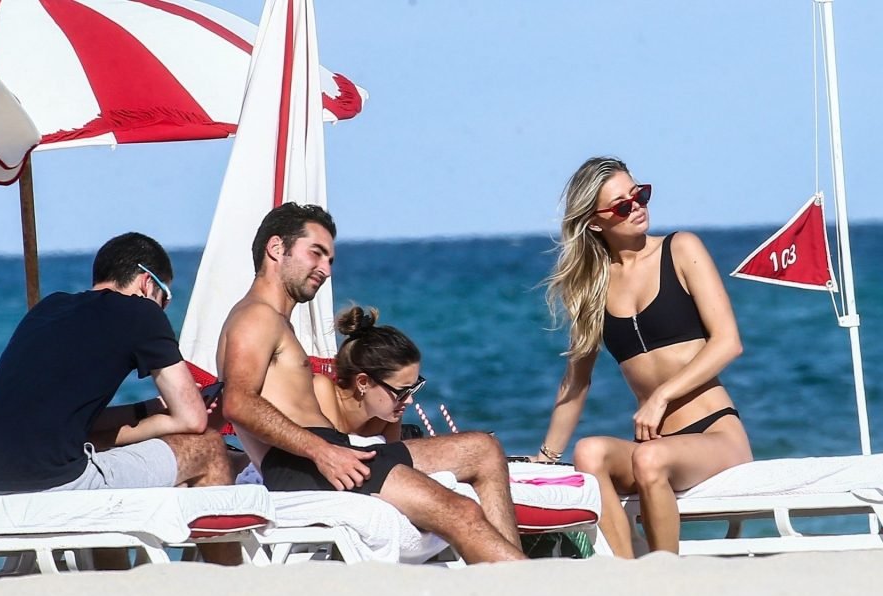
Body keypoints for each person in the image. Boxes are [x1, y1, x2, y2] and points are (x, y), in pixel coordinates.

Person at [217, 203, 525, 563]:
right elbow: (238, 402)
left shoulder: (274, 320)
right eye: (316, 253)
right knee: (460, 512)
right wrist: (322, 452)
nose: (326, 269)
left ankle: (521, 578)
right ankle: (525, 587)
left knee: (483, 450)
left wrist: (331, 448)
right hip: (302, 465)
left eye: (330, 259)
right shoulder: (256, 317)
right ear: (276, 248)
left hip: (330, 451)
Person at [0, 232, 237, 564]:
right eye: (165, 297)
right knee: (208, 447)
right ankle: (228, 578)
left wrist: (150, 410)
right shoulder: (141, 312)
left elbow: (77, 424)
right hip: (52, 489)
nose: (164, 307)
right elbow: (193, 419)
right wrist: (169, 421)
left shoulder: (47, 309)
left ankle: (115, 582)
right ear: (146, 283)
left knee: (102, 457)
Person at [534, 157, 753, 557]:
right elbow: (576, 381)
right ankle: (628, 570)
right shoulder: (592, 286)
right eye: (622, 205)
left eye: (640, 195)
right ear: (595, 222)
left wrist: (661, 397)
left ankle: (663, 573)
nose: (636, 207)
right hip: (657, 445)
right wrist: (546, 458)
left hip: (715, 434)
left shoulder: (681, 249)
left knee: (650, 459)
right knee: (589, 452)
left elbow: (727, 342)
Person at [313, 304, 522, 547]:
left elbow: (395, 467)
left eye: (414, 387)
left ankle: (510, 559)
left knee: (487, 449)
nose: (410, 400)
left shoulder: (386, 415)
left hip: (365, 474)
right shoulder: (322, 392)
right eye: (402, 391)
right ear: (363, 382)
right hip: (321, 482)